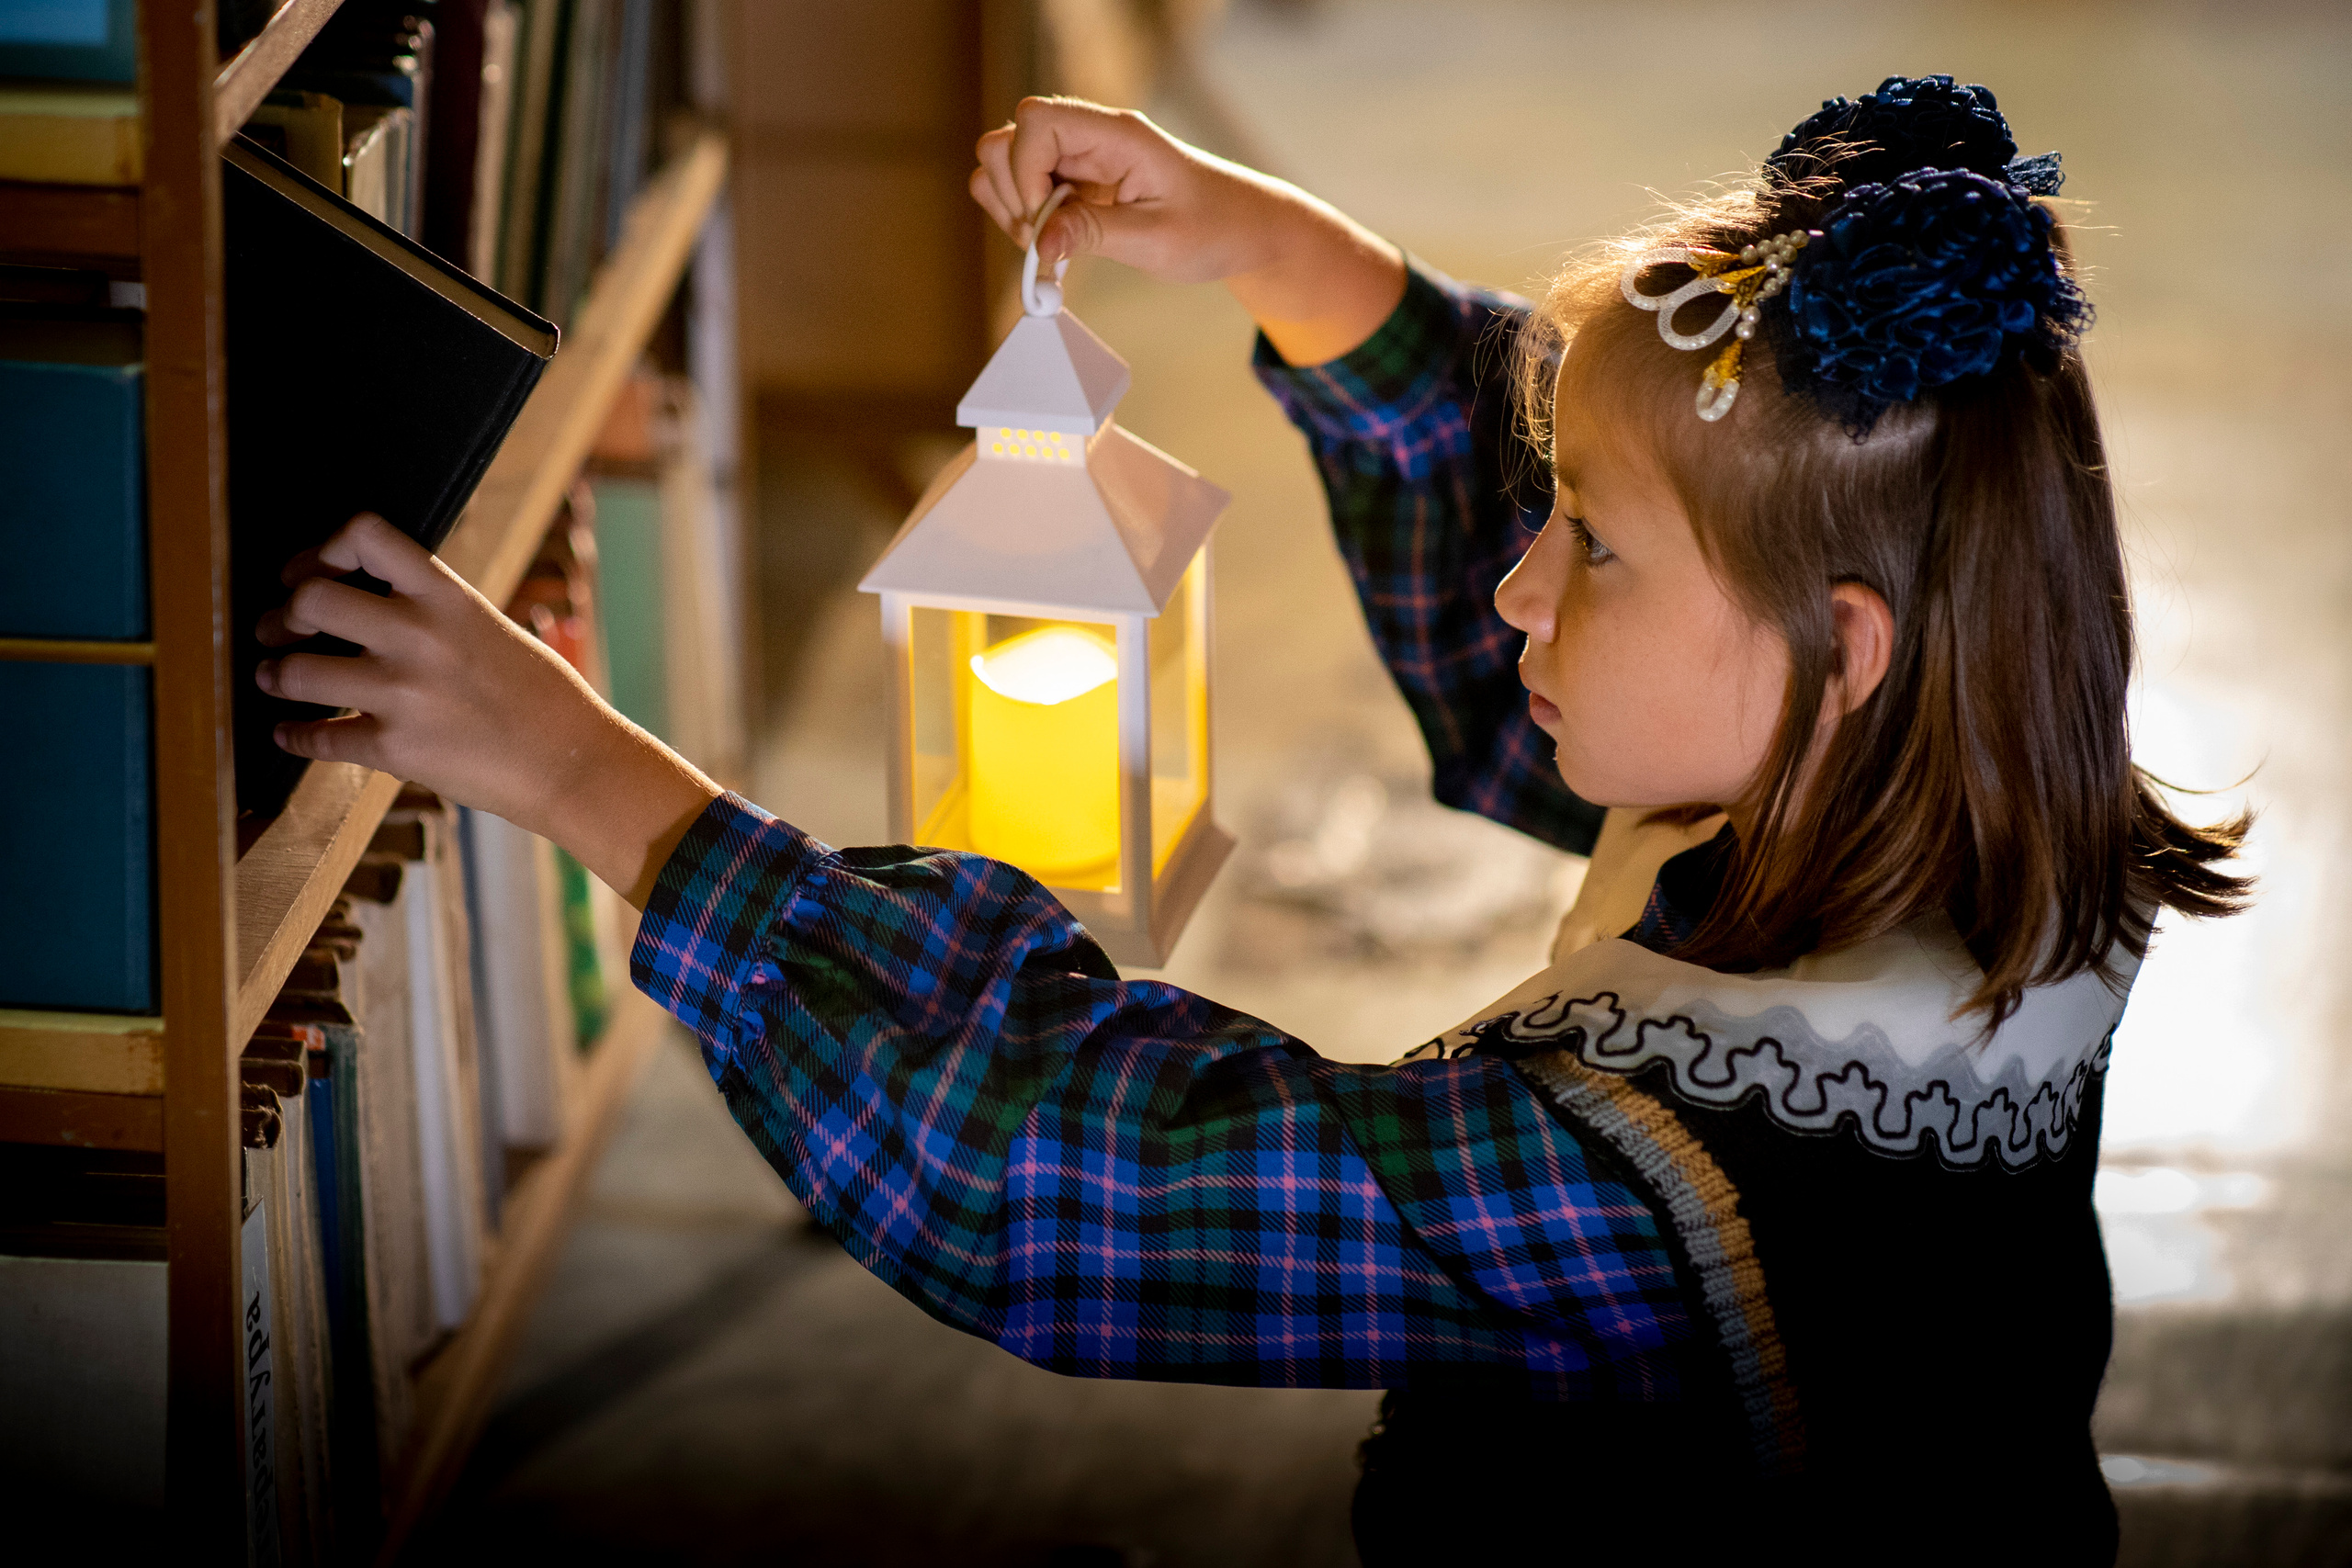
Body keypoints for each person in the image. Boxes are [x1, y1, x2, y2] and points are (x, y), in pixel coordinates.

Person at [254, 77, 2249, 1562]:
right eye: (1548, 511)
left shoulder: (1675, 1178)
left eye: (1590, 545)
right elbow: (1599, 580)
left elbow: (1061, 1173)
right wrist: (1266, 247)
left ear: (1843, 652)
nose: (1517, 584)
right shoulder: (1984, 805)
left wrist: (585, 776)